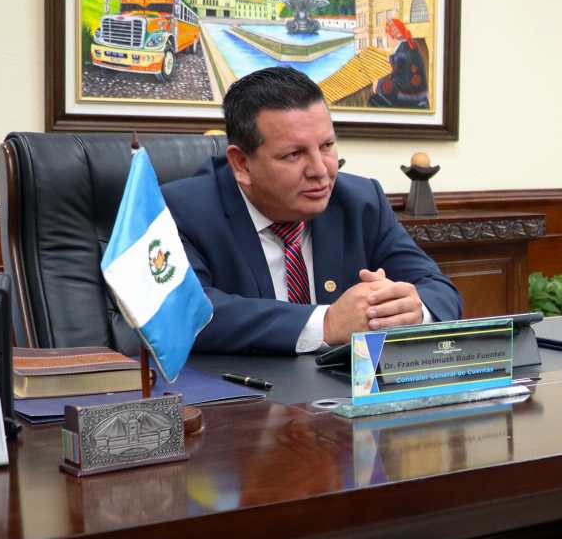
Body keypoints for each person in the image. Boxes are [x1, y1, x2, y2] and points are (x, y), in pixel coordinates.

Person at [161, 66, 461, 354]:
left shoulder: (360, 201)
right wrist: (325, 324)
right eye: (294, 154)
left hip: (343, 386)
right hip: (238, 386)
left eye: (327, 146)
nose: (321, 170)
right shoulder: (181, 211)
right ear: (241, 164)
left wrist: (412, 310)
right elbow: (184, 313)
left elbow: (441, 293)